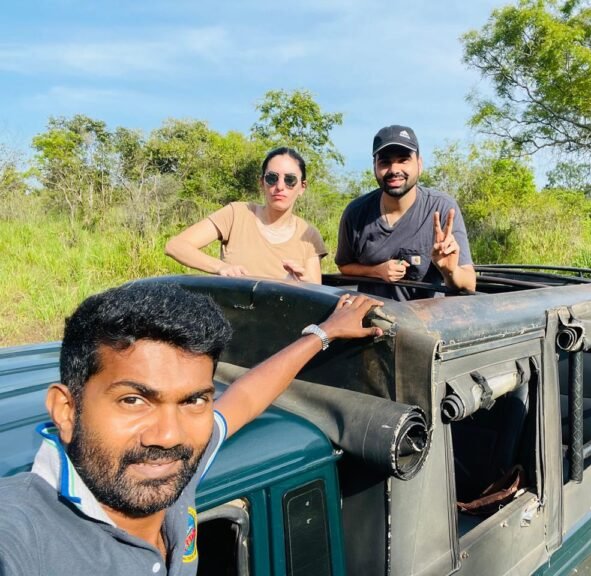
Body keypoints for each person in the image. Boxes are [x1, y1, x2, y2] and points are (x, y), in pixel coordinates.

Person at [0, 283, 381, 575]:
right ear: (66, 411)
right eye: (133, 400)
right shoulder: (19, 532)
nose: (168, 437)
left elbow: (246, 397)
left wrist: (323, 334)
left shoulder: (172, 464)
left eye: (193, 400)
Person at [335, 125, 476, 301]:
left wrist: (450, 270)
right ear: (374, 167)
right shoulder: (356, 213)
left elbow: (469, 283)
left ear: (419, 164)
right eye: (385, 162)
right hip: (371, 316)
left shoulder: (442, 208)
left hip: (427, 317)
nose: (394, 170)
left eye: (403, 160)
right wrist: (376, 271)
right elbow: (344, 266)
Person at [165, 147, 326, 283]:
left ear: (302, 187)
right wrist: (221, 267)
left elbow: (316, 292)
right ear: (261, 183)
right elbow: (175, 246)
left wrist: (304, 283)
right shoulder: (236, 214)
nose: (280, 186)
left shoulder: (309, 235)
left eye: (290, 180)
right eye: (272, 178)